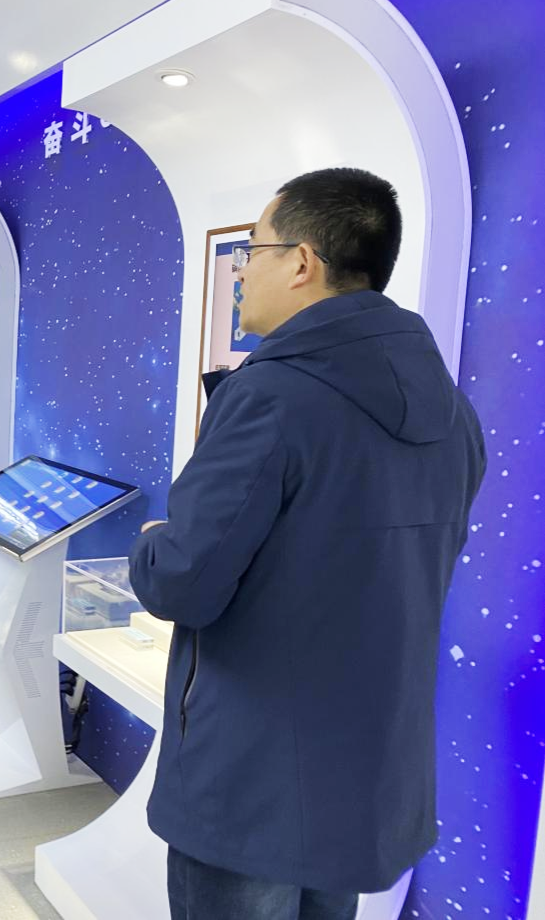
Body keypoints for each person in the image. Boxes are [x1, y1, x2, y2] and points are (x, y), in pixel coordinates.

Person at [128, 168, 486, 920]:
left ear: (301, 262)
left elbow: (183, 582)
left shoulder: (270, 396)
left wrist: (153, 542)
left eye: (251, 250)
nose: (240, 273)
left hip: (249, 782)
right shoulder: (453, 414)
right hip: (364, 773)